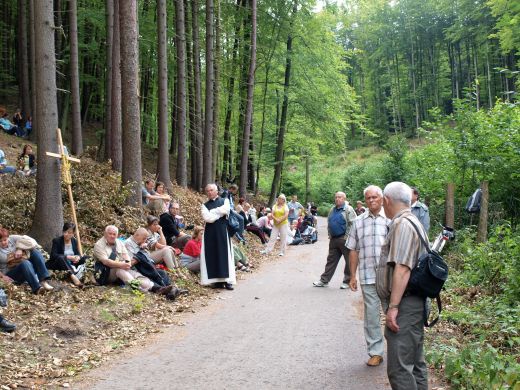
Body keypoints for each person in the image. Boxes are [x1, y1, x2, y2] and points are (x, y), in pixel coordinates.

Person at [377, 182, 429, 389]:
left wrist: (394, 307)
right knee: (415, 363)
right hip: (413, 303)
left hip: (406, 305)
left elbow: (403, 268)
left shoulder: (403, 225)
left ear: (386, 201)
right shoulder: (414, 221)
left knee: (400, 369)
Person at [347, 185, 390, 367]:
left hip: (388, 277)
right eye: (368, 198)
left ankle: (396, 350)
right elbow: (353, 250)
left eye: (375, 197)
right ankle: (376, 352)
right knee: (372, 316)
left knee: (392, 313)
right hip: (367, 276)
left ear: (382, 199)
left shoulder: (391, 220)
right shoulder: (358, 221)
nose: (371, 200)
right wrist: (352, 276)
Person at [93, 225, 172, 296]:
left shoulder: (119, 243)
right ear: (105, 234)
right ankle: (137, 288)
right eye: (110, 234)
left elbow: (126, 255)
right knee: (120, 269)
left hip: (120, 268)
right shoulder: (99, 245)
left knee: (136, 275)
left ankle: (157, 288)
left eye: (114, 234)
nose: (112, 236)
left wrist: (127, 263)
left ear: (117, 235)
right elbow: (106, 262)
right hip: (105, 273)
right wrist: (122, 264)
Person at [313, 192, 356, 289]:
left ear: (344, 198)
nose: (337, 199)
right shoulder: (332, 209)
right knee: (330, 260)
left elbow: (353, 224)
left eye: (339, 197)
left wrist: (347, 237)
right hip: (334, 239)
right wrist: (329, 234)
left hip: (345, 239)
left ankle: (347, 281)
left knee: (349, 261)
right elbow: (329, 221)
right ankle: (324, 280)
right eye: (336, 197)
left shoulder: (348, 209)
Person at [200, 183, 235, 290]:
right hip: (210, 232)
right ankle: (216, 281)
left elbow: (226, 210)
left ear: (216, 191)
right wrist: (219, 213)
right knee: (212, 254)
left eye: (211, 190)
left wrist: (213, 212)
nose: (210, 192)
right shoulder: (204, 205)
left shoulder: (225, 201)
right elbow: (208, 218)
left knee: (225, 254)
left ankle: (227, 280)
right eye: (208, 191)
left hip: (222, 231)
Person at [0, 228, 54, 294]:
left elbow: (33, 242)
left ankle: (43, 280)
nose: (3, 242)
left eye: (5, 240)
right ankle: (37, 288)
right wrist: (3, 276)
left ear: (8, 237)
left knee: (35, 252)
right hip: (11, 274)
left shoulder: (12, 238)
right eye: (0, 241)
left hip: (27, 267)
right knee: (25, 263)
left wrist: (19, 248)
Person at [47, 222, 87, 287]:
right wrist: (68, 257)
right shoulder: (57, 241)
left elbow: (78, 254)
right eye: (65, 232)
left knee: (86, 258)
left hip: (72, 263)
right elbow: (53, 256)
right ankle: (73, 277)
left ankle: (89, 276)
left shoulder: (74, 241)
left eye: (69, 233)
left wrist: (78, 257)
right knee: (61, 258)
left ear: (73, 233)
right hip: (60, 263)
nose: (66, 234)